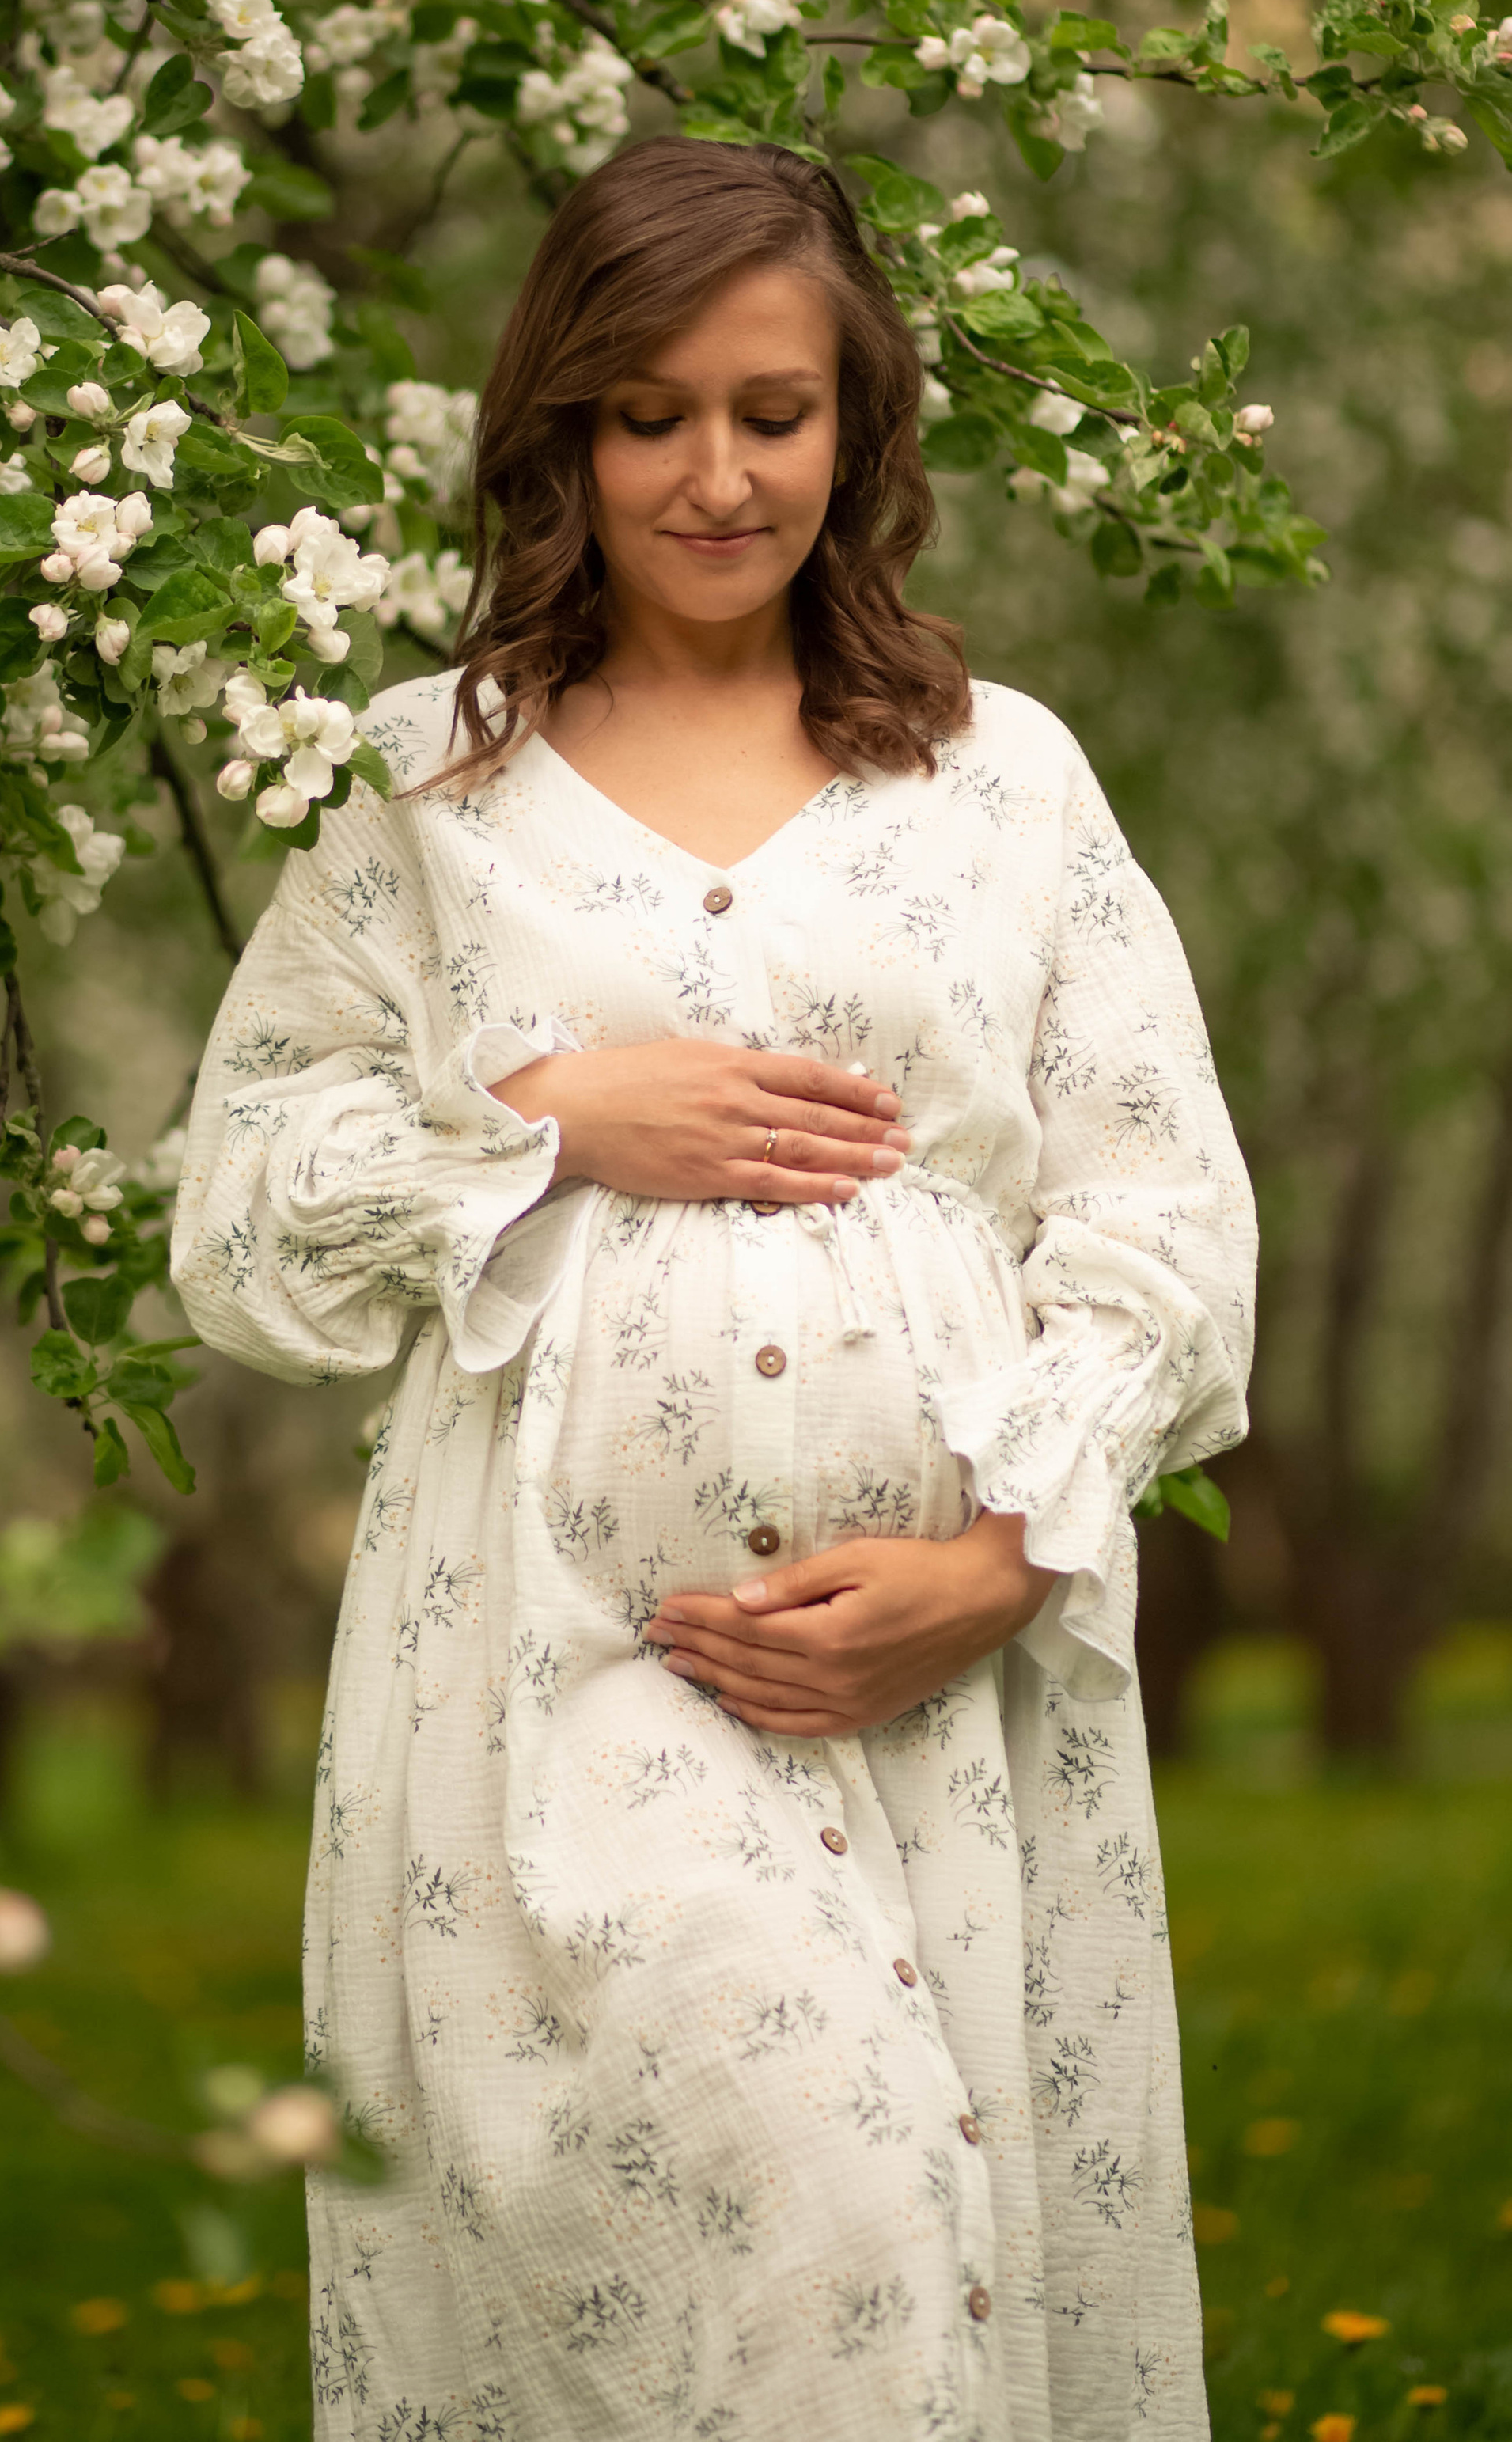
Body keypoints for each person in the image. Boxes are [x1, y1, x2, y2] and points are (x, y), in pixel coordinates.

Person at [171, 136, 1256, 2441]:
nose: (714, 470)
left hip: (938, 1683)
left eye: (773, 409)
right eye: (648, 412)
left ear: (858, 425)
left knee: (908, 2267)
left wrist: (1002, 1561)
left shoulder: (1001, 778)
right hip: (557, 1669)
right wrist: (557, 1119)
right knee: (826, 2234)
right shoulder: (423, 792)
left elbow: (1156, 1203)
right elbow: (246, 1210)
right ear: (559, 430)